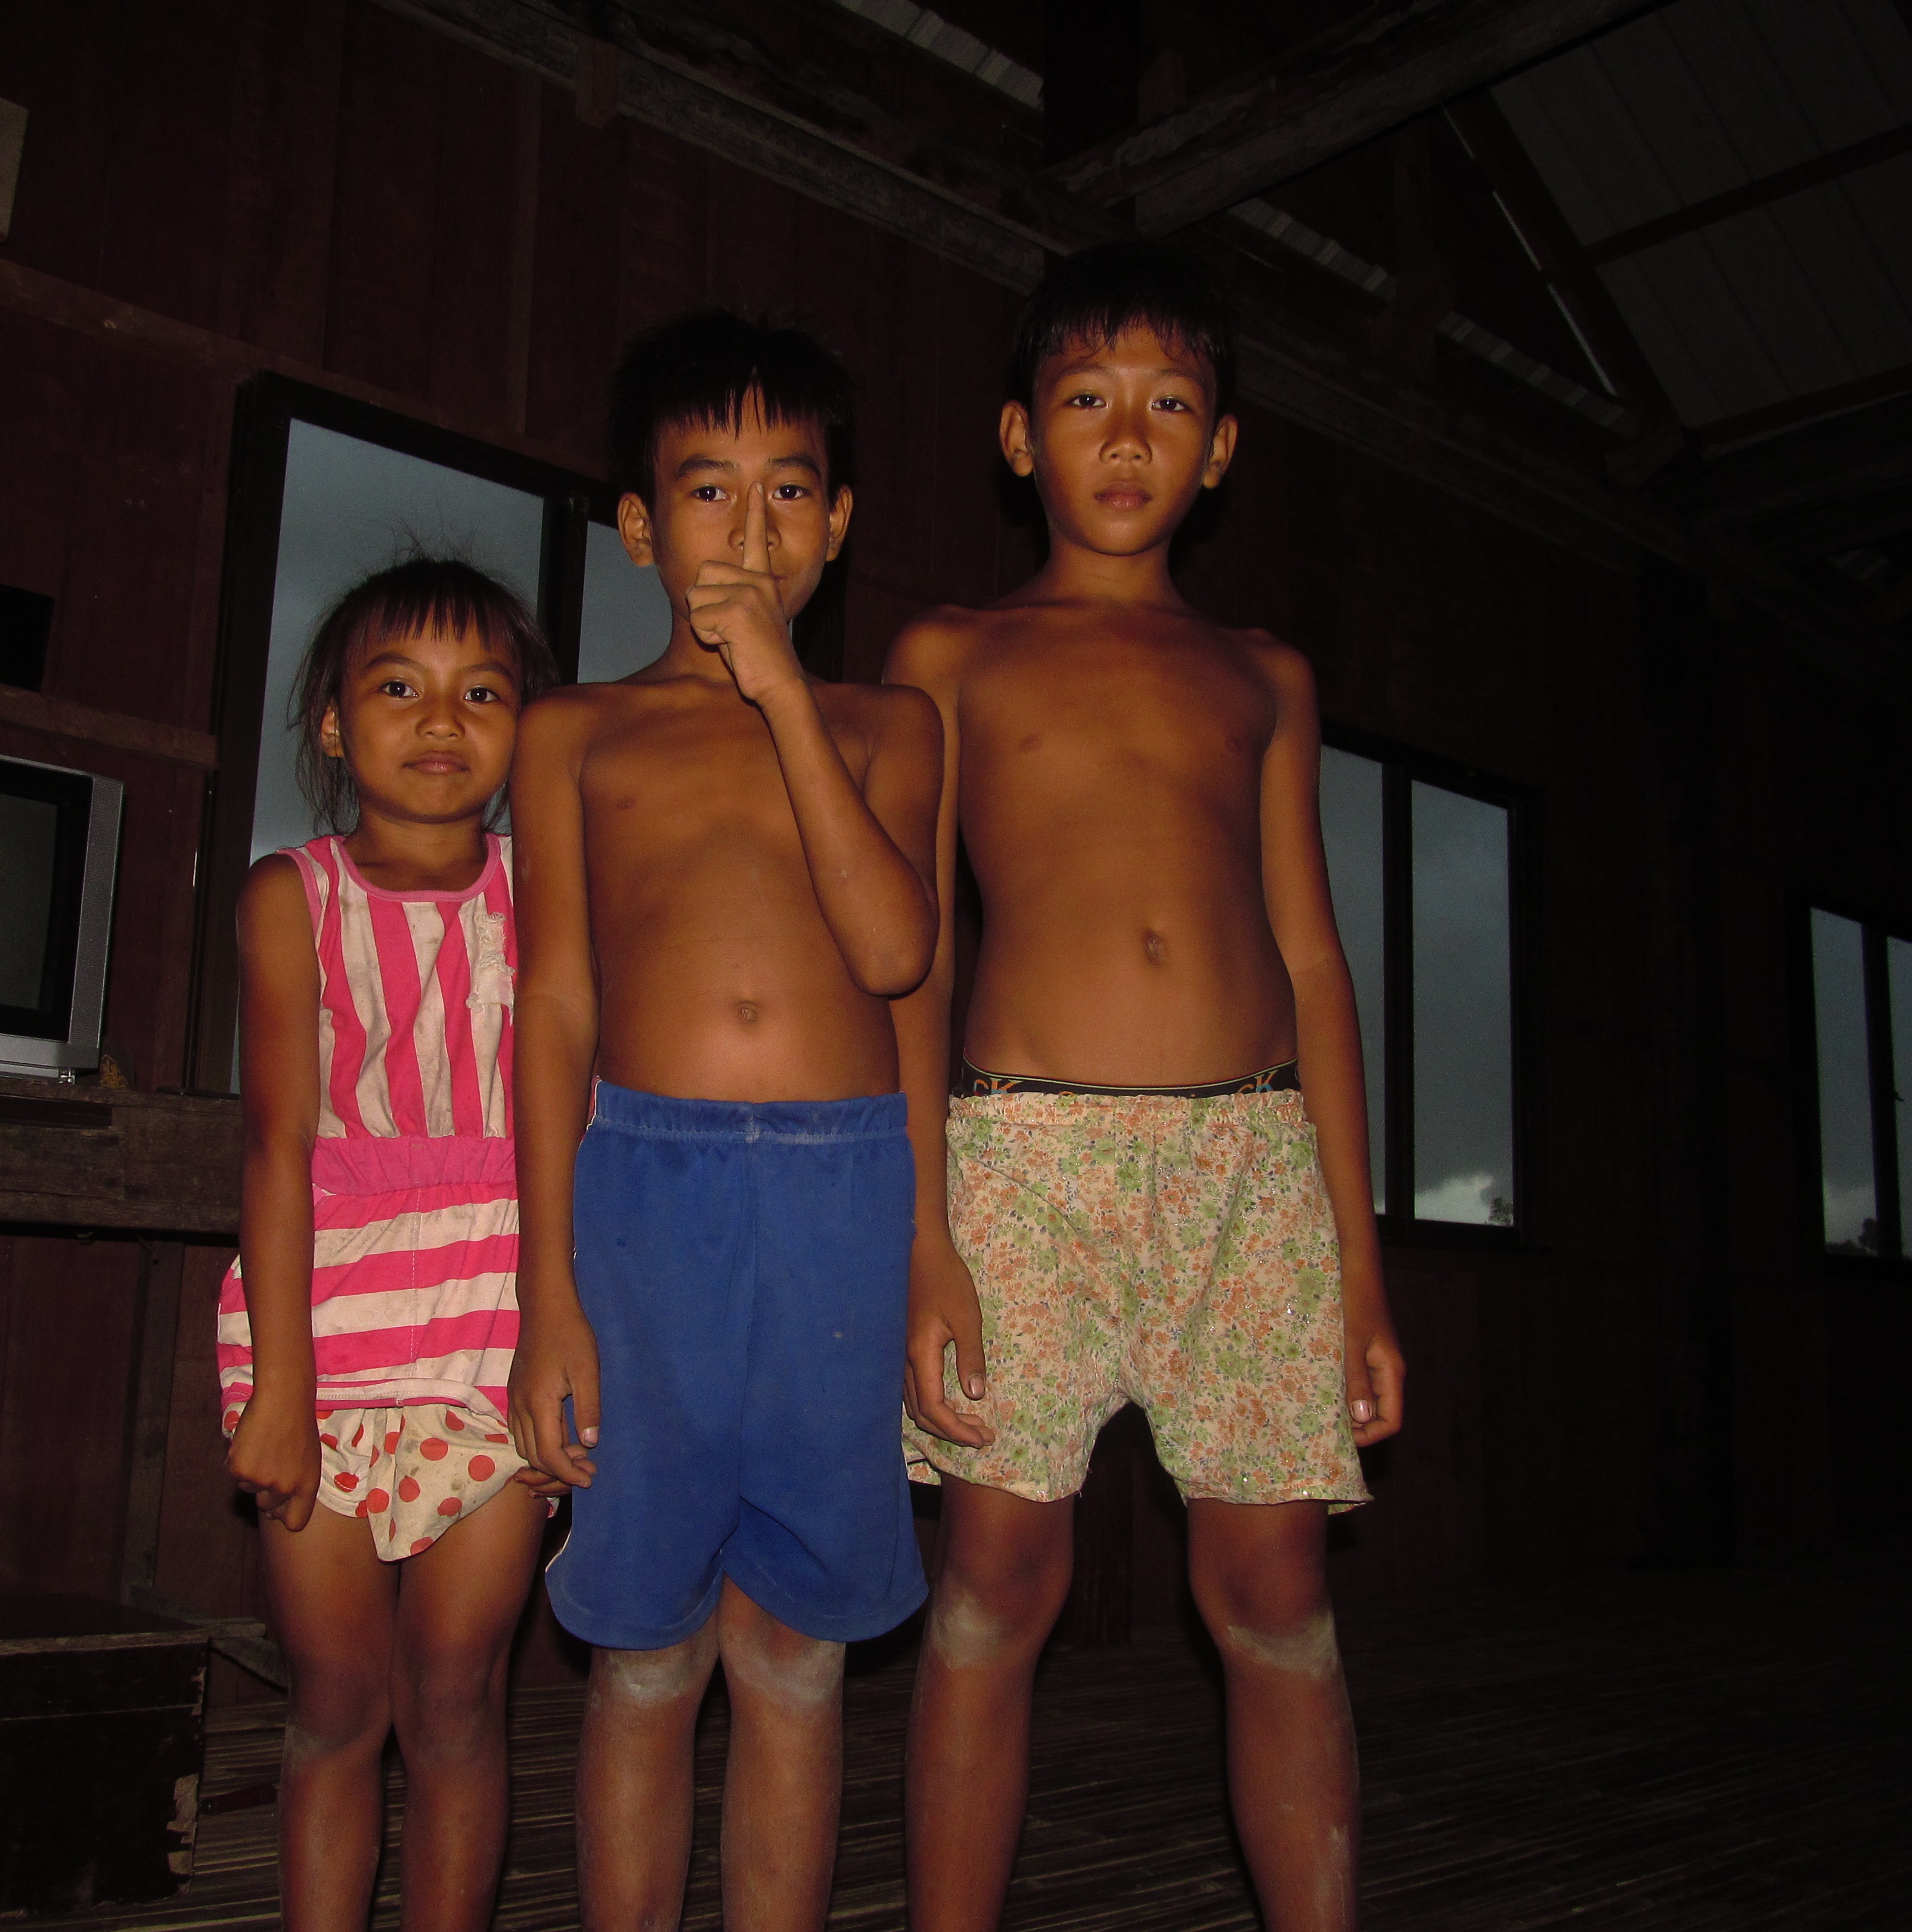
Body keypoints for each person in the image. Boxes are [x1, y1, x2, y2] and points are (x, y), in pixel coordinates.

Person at [885, 241, 1406, 1932]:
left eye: (1171, 405)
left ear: (1224, 449)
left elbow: (1319, 965)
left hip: (1250, 1171)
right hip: (1020, 1161)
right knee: (994, 1582)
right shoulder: (950, 654)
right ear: (1021, 438)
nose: (1129, 437)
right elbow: (914, 959)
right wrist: (923, 1234)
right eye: (1089, 401)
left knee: (1275, 1591)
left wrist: (1359, 1262)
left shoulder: (1267, 676)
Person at [508, 309, 943, 1932]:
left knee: (796, 1656)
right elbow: (552, 1003)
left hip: (844, 1191)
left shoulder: (893, 729)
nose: (748, 534)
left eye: (788, 494)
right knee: (644, 1656)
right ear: (639, 528)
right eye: (708, 492)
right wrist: (553, 1286)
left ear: (836, 526)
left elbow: (900, 954)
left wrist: (784, 697)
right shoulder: (574, 733)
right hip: (645, 1193)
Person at [219, 555, 559, 1932]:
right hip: (326, 1339)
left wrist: (571, 1335)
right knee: (339, 1701)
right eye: (398, 688)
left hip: (499, 1326)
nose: (440, 719)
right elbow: (278, 1148)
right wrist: (284, 1387)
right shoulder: (286, 895)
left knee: (459, 1691)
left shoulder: (555, 899)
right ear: (333, 723)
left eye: (482, 691)